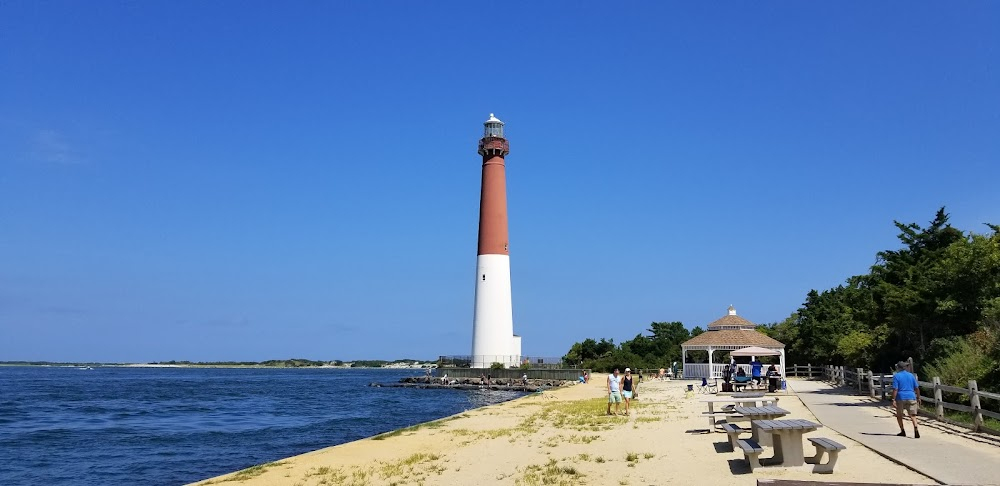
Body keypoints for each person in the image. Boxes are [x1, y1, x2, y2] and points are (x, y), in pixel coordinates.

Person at [892, 361, 921, 438]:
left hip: (900, 397)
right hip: (911, 396)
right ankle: (915, 428)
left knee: (899, 415)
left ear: (898, 368)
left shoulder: (897, 376)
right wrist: (918, 397)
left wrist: (893, 399)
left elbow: (895, 389)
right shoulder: (911, 375)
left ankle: (902, 430)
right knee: (913, 415)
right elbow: (916, 387)